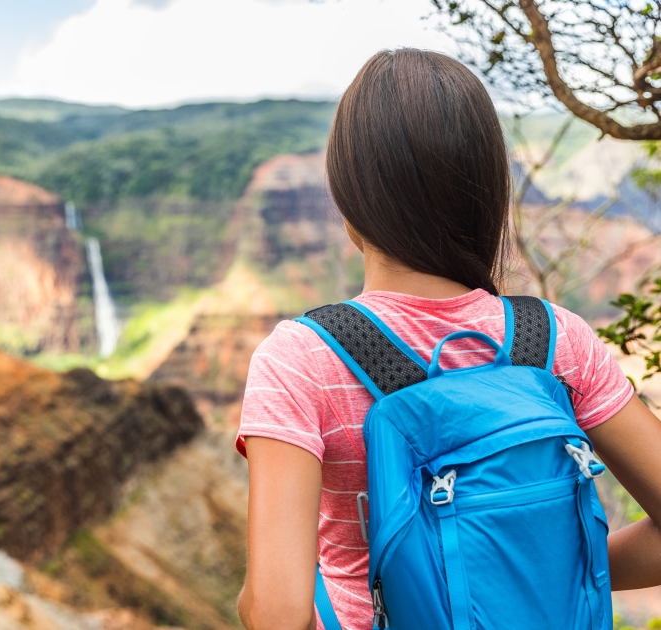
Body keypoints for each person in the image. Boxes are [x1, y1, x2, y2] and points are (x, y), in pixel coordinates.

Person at [235, 48, 661, 630]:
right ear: (489, 193)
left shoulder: (300, 359)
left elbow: (276, 614)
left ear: (348, 204)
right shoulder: (558, 340)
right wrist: (544, 571)